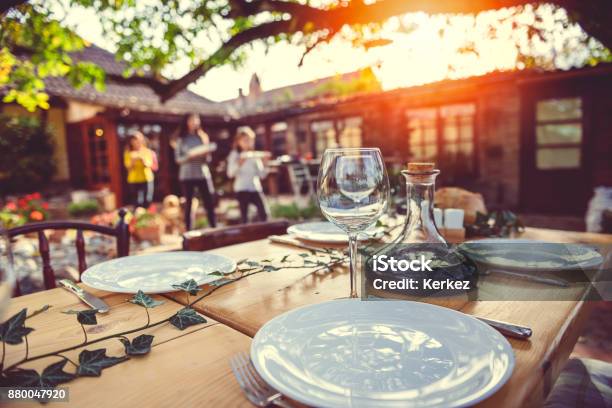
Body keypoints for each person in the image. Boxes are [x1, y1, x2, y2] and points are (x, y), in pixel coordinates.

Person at [174, 113, 217, 230]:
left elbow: (208, 159)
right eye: (192, 120)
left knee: (209, 202)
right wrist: (189, 156)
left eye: (196, 119)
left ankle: (214, 228)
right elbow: (178, 159)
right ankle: (189, 231)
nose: (194, 122)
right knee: (189, 204)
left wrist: (205, 154)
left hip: (202, 174)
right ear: (187, 122)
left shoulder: (202, 137)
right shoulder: (181, 139)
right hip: (187, 175)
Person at [227, 127, 270, 224]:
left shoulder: (254, 155)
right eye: (245, 140)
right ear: (239, 142)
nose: (248, 143)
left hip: (255, 188)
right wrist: (239, 163)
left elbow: (262, 175)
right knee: (244, 217)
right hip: (241, 189)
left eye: (250, 140)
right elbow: (230, 174)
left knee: (264, 214)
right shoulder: (235, 155)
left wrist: (265, 163)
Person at [123, 132, 154, 208]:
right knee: (136, 201)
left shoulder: (147, 151)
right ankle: (137, 217)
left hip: (146, 178)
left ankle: (147, 216)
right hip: (134, 179)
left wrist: (142, 159)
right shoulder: (128, 152)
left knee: (147, 199)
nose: (136, 142)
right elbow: (128, 167)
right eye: (134, 140)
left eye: (138, 140)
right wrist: (133, 161)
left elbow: (150, 165)